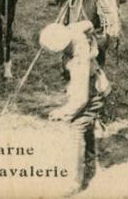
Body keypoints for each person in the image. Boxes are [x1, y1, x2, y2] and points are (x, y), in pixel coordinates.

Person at [40, 21, 111, 191]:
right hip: (97, 85)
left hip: (93, 94)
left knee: (76, 129)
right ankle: (90, 161)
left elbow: (80, 99)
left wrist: (62, 112)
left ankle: (74, 182)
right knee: (86, 126)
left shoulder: (79, 61)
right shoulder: (73, 31)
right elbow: (88, 23)